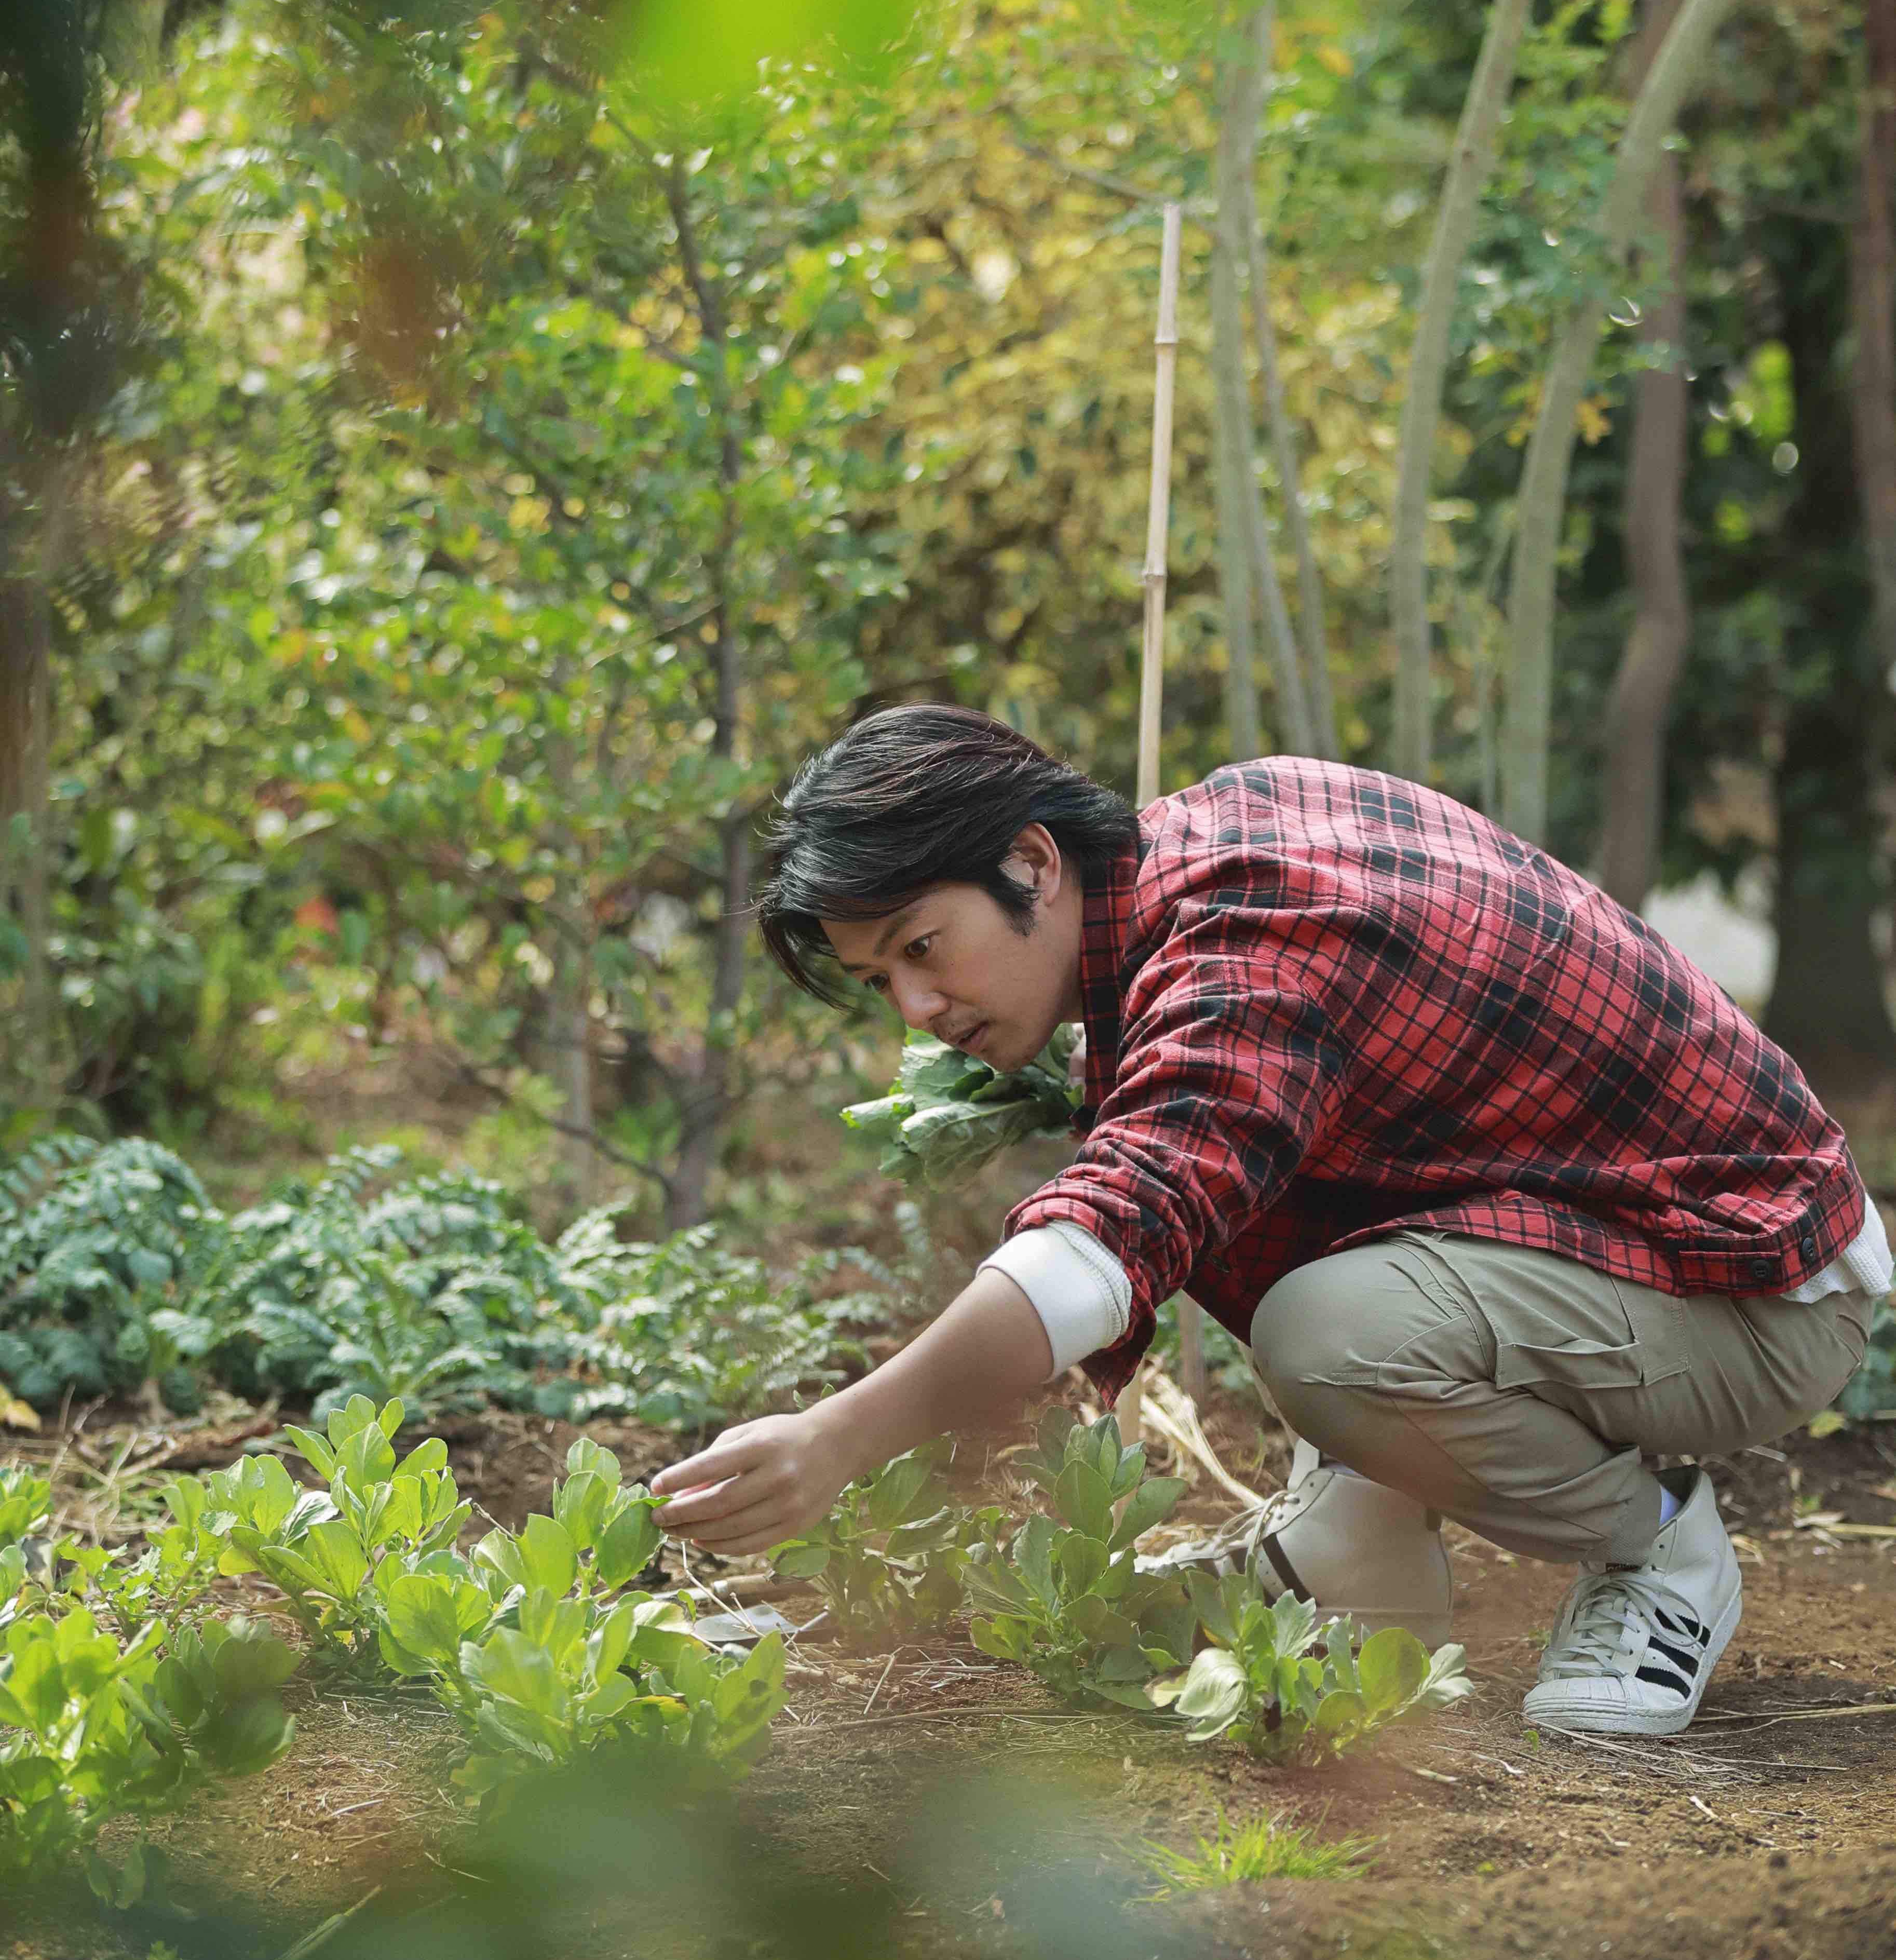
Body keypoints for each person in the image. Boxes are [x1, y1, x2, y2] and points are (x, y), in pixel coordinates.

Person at [652, 708, 1888, 1737]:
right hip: (1610, 1240)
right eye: (881, 981)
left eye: (925, 947)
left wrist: (835, 1437)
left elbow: (1115, 1230)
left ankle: (1654, 1547)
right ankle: (1363, 1553)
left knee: (1328, 1335)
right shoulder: (1204, 836)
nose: (917, 1007)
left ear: (1031, 861)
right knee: (1279, 1210)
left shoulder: (1247, 945)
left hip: (1745, 1288)